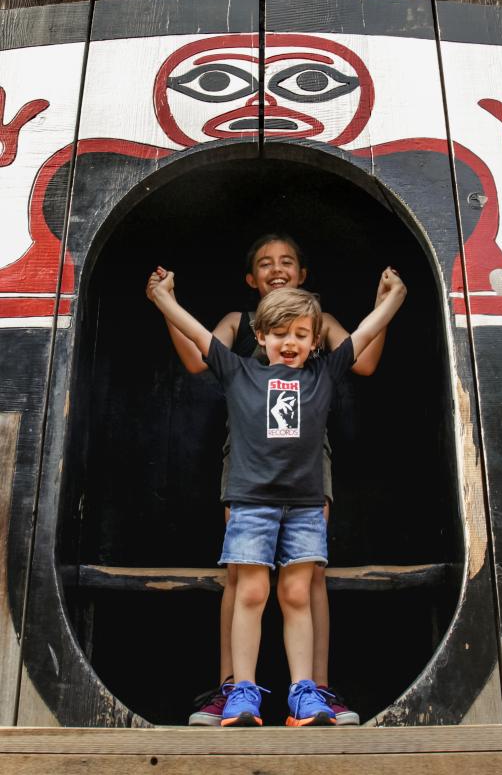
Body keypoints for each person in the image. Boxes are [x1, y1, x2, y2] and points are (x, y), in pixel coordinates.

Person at [146, 234, 393, 725]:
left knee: (306, 577)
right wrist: (163, 300)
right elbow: (198, 349)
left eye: (287, 261)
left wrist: (389, 301)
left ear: (303, 274)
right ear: (251, 280)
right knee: (244, 578)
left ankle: (314, 690)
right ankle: (233, 690)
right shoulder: (239, 330)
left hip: (304, 466)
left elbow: (361, 354)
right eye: (265, 263)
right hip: (249, 465)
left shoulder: (319, 337)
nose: (276, 269)